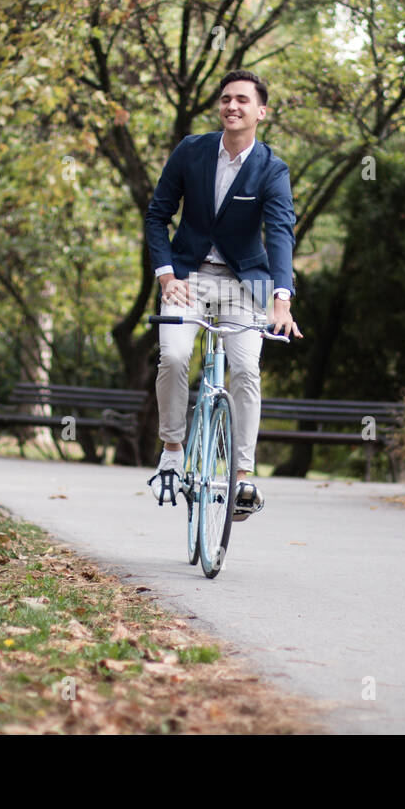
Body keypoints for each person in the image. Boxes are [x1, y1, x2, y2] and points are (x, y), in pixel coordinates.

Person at [144, 69, 302, 519]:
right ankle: (173, 450)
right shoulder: (191, 152)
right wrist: (167, 277)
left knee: (247, 369)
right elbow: (157, 216)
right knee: (173, 356)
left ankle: (242, 478)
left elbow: (280, 234)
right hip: (187, 276)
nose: (232, 106)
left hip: (245, 282)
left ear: (261, 112)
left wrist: (282, 298)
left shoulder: (272, 169)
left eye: (243, 101)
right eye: (226, 99)